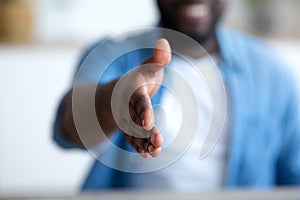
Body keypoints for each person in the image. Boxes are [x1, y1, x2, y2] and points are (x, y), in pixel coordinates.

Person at [53, 0, 300, 191]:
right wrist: (113, 101)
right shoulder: (113, 54)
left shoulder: (270, 71)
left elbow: (294, 176)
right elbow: (69, 128)